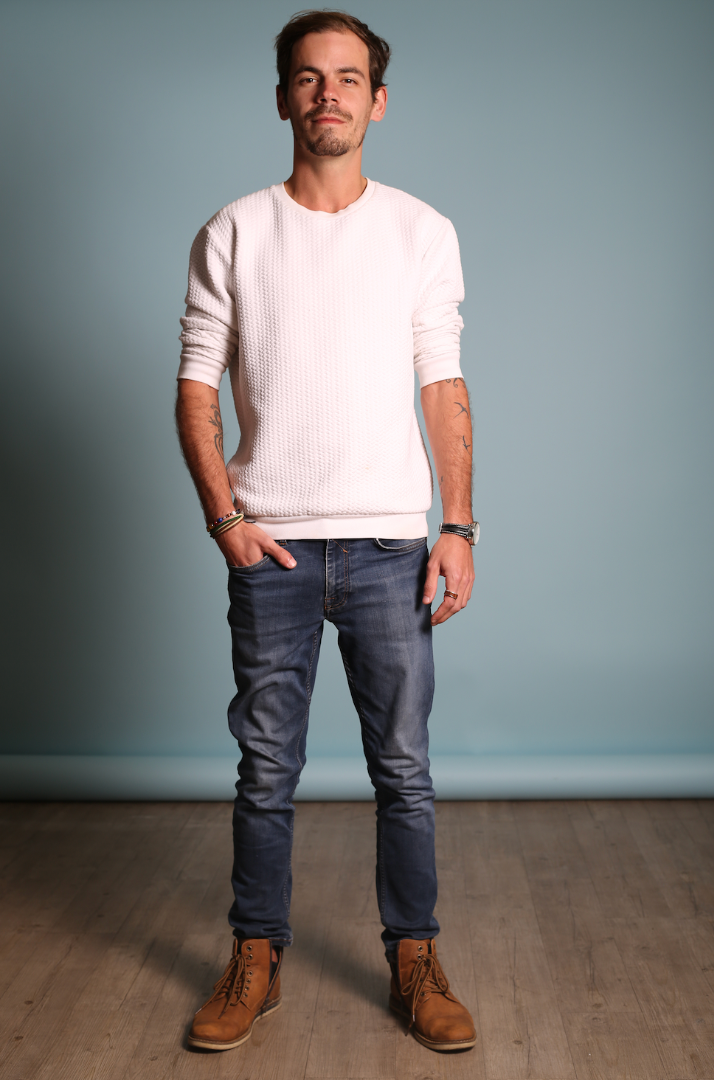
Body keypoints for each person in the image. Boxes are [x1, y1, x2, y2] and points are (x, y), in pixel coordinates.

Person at [176, 9, 478, 1055]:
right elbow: (195, 385)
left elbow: (443, 383)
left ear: (376, 102)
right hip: (273, 550)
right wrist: (224, 517)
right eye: (309, 78)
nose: (328, 94)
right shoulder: (233, 231)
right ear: (282, 98)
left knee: (403, 769)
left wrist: (457, 525)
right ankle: (255, 955)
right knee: (266, 770)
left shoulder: (420, 230)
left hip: (393, 546)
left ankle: (415, 957)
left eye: (348, 78)